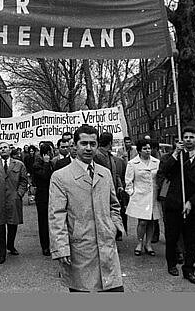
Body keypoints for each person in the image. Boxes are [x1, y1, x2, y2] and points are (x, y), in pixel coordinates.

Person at [49, 125, 125, 292]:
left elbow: (114, 205)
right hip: (80, 249)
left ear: (98, 145)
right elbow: (57, 215)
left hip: (107, 247)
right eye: (84, 143)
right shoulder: (61, 176)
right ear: (74, 146)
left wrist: (114, 227)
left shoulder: (104, 173)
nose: (88, 148)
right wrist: (61, 248)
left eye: (93, 143)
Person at [159, 127, 195, 284]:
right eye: (186, 137)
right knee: (172, 237)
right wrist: (176, 153)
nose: (188, 139)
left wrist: (191, 202)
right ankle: (171, 264)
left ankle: (189, 269)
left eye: (192, 137)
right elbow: (164, 171)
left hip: (193, 207)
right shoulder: (175, 158)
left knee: (193, 241)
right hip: (174, 204)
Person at [0, 142, 29, 264]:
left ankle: (10, 245)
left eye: (5, 147)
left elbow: (24, 181)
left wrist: (19, 194)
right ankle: (1, 254)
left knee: (12, 224)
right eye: (0, 148)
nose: (3, 150)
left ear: (10, 150)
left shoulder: (19, 164)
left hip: (13, 199)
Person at [125, 139, 162, 256]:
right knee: (142, 222)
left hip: (153, 197)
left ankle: (148, 244)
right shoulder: (132, 163)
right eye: (145, 148)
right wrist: (132, 193)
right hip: (140, 197)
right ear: (139, 150)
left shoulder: (156, 162)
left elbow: (159, 178)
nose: (148, 151)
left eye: (149, 148)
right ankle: (139, 243)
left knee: (151, 221)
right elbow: (128, 181)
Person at [93, 132, 128, 240]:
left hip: (111, 191)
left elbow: (115, 173)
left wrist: (119, 186)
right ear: (110, 142)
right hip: (102, 192)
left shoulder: (109, 156)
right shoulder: (98, 156)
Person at [32, 143, 54, 256]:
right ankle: (45, 246)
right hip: (42, 197)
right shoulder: (37, 165)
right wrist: (45, 163)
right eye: (51, 151)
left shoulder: (51, 163)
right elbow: (45, 177)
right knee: (43, 222)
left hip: (52, 195)